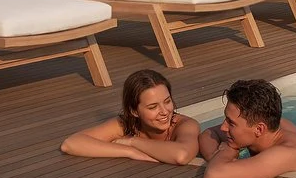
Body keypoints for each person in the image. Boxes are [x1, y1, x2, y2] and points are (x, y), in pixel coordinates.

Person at [198, 79, 296, 178]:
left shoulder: (287, 153)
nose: (223, 127)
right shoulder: (274, 124)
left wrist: (228, 150)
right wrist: (214, 157)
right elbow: (209, 134)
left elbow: (214, 177)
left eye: (231, 123)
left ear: (259, 129)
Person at [61, 68, 200, 165]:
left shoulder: (185, 125)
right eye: (153, 107)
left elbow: (181, 156)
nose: (164, 111)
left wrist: (132, 142)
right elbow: (71, 144)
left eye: (167, 101)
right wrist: (129, 152)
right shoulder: (126, 124)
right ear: (134, 111)